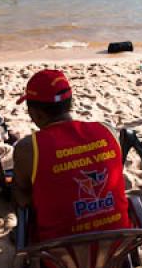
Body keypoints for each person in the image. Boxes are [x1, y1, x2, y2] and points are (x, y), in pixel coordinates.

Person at [12, 69, 130, 243]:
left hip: (59, 258)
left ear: (35, 113)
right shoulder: (108, 131)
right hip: (118, 250)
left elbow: (23, 196)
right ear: (70, 103)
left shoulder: (28, 148)